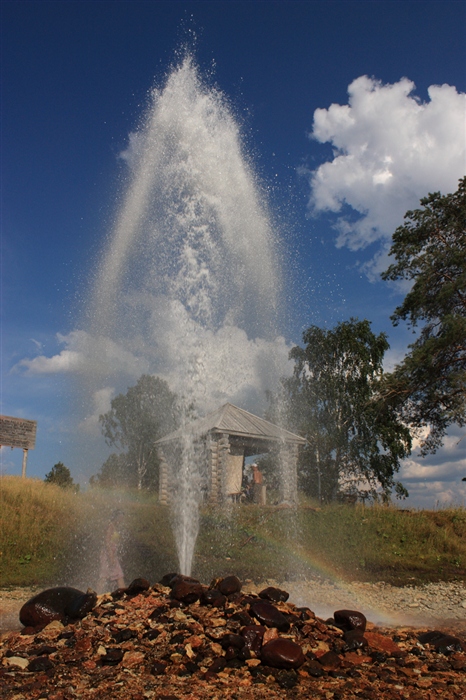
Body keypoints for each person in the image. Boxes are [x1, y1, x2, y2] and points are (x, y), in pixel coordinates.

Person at [97, 509, 125, 593]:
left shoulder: (114, 526)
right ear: (115, 517)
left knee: (116, 575)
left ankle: (124, 594)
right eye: (120, 517)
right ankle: (97, 594)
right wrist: (110, 555)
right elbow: (107, 541)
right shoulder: (110, 526)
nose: (121, 520)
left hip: (112, 554)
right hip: (108, 554)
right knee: (105, 575)